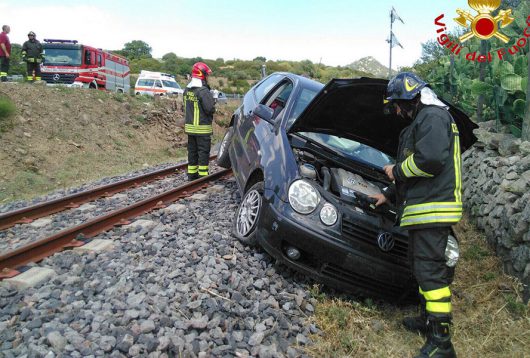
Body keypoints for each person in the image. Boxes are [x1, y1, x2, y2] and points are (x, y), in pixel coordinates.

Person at [371, 72, 462, 358]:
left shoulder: (433, 117)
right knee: (421, 268)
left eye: (398, 104)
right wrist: (388, 192)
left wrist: (396, 170)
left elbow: (430, 160)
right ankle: (427, 321)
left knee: (431, 274)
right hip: (424, 210)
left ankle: (442, 342)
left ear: (411, 98)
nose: (397, 110)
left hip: (433, 210)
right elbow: (416, 175)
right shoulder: (424, 120)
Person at [183, 62, 215, 180]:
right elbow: (210, 109)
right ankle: (202, 176)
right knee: (203, 152)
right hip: (202, 128)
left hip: (190, 128)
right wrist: (213, 100)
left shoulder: (187, 90)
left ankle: (192, 175)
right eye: (207, 75)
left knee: (192, 152)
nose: (208, 77)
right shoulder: (203, 91)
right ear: (202, 75)